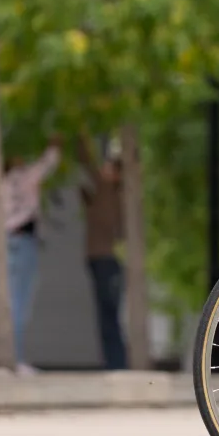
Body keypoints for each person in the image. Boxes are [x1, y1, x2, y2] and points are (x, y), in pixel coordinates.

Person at [3, 135, 61, 375]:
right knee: (20, 303)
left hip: (7, 241)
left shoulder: (0, 184)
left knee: (10, 301)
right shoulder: (24, 178)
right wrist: (54, 145)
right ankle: (15, 359)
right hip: (24, 240)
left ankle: (11, 357)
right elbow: (48, 164)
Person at [77, 135, 127, 370]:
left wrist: (79, 133)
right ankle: (114, 362)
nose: (104, 169)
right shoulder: (109, 193)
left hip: (105, 258)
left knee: (108, 314)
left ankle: (116, 363)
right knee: (108, 314)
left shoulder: (108, 190)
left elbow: (86, 161)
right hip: (101, 257)